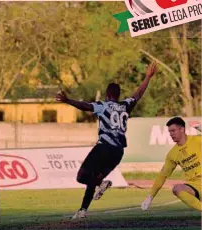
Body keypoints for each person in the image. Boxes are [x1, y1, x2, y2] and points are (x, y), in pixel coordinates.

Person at [56, 62, 158, 219]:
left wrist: (67, 100)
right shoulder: (125, 106)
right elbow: (138, 94)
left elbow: (85, 106)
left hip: (103, 148)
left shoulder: (104, 106)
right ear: (118, 95)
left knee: (82, 177)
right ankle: (83, 210)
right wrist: (147, 77)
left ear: (107, 94)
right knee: (95, 178)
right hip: (118, 152)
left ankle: (99, 185)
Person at [141, 117, 201, 212]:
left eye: (173, 131)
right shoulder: (172, 154)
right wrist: (150, 197)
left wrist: (200, 128)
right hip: (194, 185)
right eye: (169, 132)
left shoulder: (197, 140)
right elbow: (162, 176)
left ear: (182, 129)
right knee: (177, 189)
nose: (171, 134)